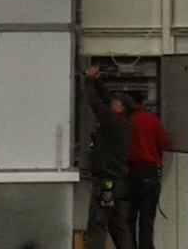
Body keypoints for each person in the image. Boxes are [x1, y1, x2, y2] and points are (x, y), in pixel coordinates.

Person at [81, 67, 134, 249]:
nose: (113, 102)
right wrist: (98, 82)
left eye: (116, 101)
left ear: (120, 108)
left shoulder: (113, 122)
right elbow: (106, 98)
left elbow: (94, 102)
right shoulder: (124, 123)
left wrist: (89, 81)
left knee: (98, 224)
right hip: (119, 182)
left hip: (106, 182)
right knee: (120, 226)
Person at [126, 92, 171, 249]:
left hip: (129, 172)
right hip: (149, 173)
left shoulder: (126, 121)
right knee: (147, 219)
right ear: (143, 102)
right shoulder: (152, 120)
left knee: (128, 218)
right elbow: (164, 143)